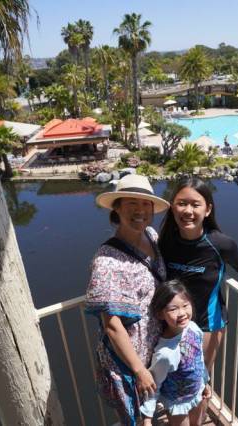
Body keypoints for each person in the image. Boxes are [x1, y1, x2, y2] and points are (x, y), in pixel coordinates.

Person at [158, 177, 238, 370]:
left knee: (198, 381)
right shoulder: (166, 241)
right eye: (181, 204)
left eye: (195, 205)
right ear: (172, 207)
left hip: (207, 324)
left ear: (207, 210)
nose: (188, 211)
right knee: (173, 378)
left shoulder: (220, 244)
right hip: (174, 321)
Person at [85, 174, 170, 425]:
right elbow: (112, 325)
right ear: (118, 208)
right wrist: (139, 370)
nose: (140, 211)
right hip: (129, 360)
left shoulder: (152, 237)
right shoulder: (106, 260)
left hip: (154, 346)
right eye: (132, 204)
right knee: (134, 416)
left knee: (151, 410)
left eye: (146, 204)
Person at [140, 280, 210, 426]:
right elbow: (154, 384)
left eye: (185, 305)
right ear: (160, 314)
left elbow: (199, 360)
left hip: (197, 391)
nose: (182, 313)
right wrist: (147, 418)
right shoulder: (165, 354)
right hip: (177, 402)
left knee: (197, 423)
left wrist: (205, 382)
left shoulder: (193, 328)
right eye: (173, 309)